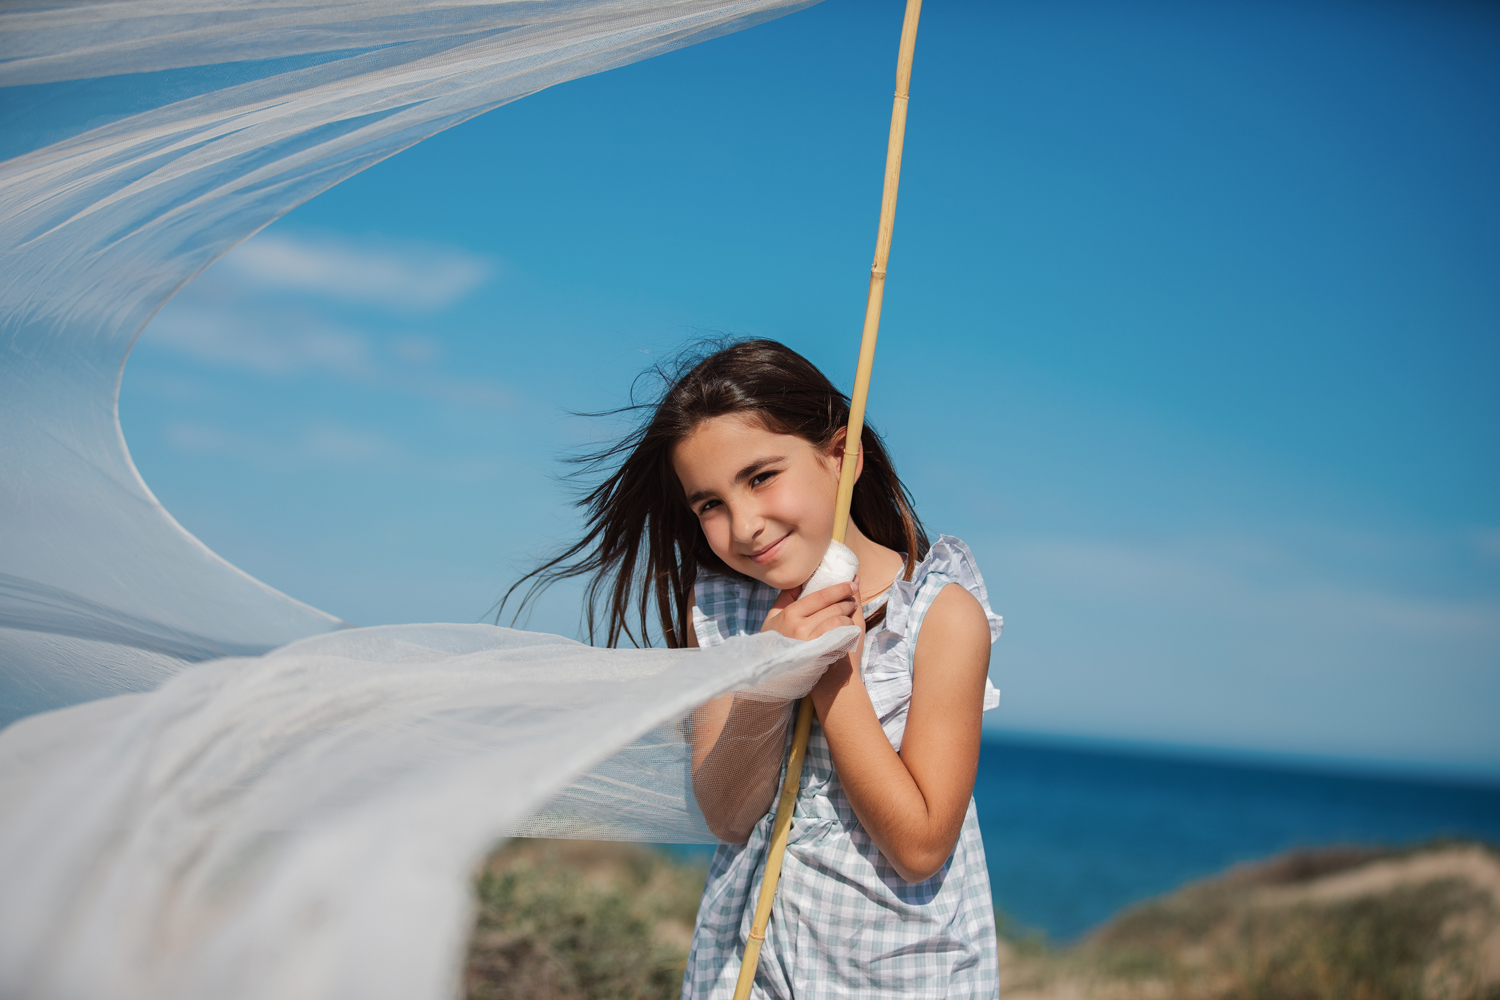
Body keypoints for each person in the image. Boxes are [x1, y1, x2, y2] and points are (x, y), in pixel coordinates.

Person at [505, 339, 1003, 999]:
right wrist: (770, 679)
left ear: (840, 455)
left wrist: (831, 677)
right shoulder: (720, 609)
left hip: (904, 974)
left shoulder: (941, 612)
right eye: (708, 503)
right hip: (747, 971)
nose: (744, 525)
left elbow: (919, 847)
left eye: (761, 476)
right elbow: (730, 816)